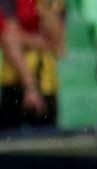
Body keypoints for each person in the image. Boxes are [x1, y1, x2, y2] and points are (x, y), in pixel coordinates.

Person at [0, 0, 63, 129]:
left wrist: (21, 38)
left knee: (47, 143)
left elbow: (58, 46)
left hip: (46, 83)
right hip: (14, 83)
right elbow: (8, 38)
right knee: (10, 143)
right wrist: (31, 87)